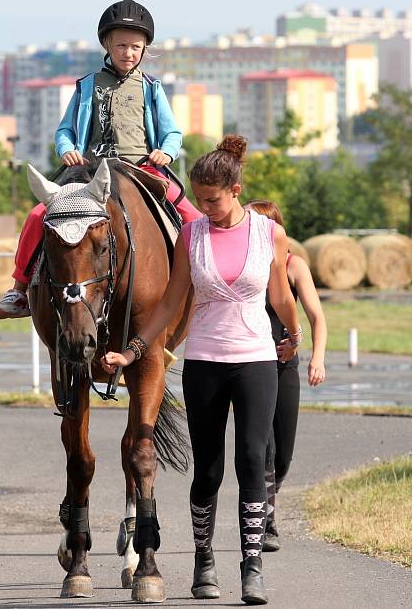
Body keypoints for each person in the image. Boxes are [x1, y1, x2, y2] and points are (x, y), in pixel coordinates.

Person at [101, 135, 302, 605]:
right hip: (206, 363)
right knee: (208, 468)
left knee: (253, 459)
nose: (205, 207)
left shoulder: (267, 233)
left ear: (235, 188)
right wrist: (132, 352)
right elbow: (171, 300)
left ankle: (252, 565)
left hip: (256, 360)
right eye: (200, 198)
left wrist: (294, 335)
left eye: (212, 199)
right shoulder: (191, 235)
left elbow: (279, 294)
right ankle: (203, 560)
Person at [0, 0, 201, 319]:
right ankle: (19, 291)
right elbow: (64, 130)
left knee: (191, 216)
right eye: (120, 46)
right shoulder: (87, 86)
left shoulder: (151, 87)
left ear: (145, 48)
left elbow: (172, 132)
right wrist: (66, 149)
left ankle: (203, 285)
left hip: (141, 169)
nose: (127, 53)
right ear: (106, 43)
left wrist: (167, 151)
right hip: (89, 173)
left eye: (135, 46)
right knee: (38, 214)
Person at [244, 200, 327, 552]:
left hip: (285, 366)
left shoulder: (294, 266)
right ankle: (267, 523)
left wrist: (316, 358)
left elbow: (317, 317)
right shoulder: (244, 266)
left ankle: (267, 507)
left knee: (283, 454)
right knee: (264, 448)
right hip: (251, 364)